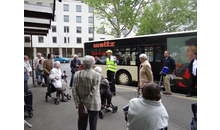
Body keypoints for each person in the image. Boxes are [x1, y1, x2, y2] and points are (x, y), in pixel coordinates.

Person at [72, 55, 101, 130]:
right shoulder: (97, 75)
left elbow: (74, 90)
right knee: (93, 124)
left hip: (81, 103)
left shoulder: (77, 74)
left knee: (82, 124)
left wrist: (78, 103)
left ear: (83, 64)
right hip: (94, 103)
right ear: (93, 64)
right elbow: (94, 91)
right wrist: (86, 102)